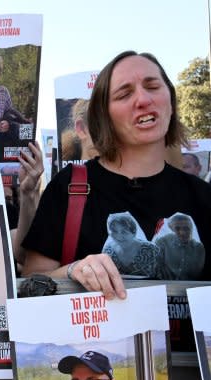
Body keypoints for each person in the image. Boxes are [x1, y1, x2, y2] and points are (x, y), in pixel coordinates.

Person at [22, 51, 211, 298]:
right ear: (104, 116)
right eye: (124, 94)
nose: (143, 99)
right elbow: (31, 282)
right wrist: (74, 270)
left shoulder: (203, 196)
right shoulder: (69, 186)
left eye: (153, 86)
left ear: (171, 102)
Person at [101, 212, 160, 278]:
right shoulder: (107, 251)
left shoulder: (151, 249)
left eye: (124, 232)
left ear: (134, 233)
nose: (119, 236)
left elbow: (162, 276)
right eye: (114, 231)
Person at [154, 212, 205, 280]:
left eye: (186, 228)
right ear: (171, 229)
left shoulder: (199, 248)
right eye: (177, 228)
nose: (182, 232)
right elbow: (156, 270)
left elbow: (198, 274)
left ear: (191, 229)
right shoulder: (162, 243)